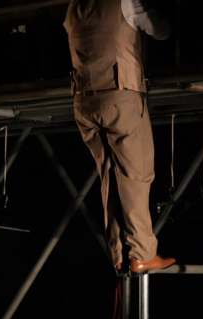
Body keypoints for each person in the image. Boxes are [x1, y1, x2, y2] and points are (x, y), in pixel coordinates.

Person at [63, 0, 176, 274]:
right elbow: (161, 30)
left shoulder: (74, 6)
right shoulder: (124, 1)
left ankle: (119, 253)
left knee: (109, 176)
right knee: (135, 174)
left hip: (84, 99)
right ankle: (142, 253)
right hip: (119, 93)